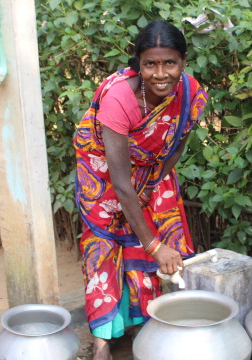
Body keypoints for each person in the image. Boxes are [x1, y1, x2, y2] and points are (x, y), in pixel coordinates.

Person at [73, 19, 208, 360]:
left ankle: (149, 324)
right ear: (138, 64)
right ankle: (103, 337)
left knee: (159, 234)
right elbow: (119, 181)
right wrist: (153, 244)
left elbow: (175, 146)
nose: (160, 73)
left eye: (170, 63)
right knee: (104, 247)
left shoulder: (190, 94)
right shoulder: (119, 98)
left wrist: (150, 184)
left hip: (152, 170)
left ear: (183, 61)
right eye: (150, 64)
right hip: (103, 174)